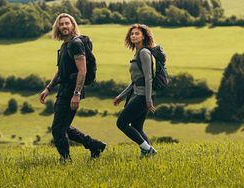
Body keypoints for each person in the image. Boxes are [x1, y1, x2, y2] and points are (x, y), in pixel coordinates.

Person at [40, 13, 106, 161]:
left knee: (58, 128)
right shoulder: (65, 45)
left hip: (72, 90)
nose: (64, 26)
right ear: (57, 27)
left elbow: (82, 71)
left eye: (67, 23)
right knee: (64, 126)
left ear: (73, 25)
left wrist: (76, 94)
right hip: (64, 88)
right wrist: (48, 88)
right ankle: (95, 145)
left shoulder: (76, 44)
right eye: (61, 24)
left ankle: (66, 160)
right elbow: (60, 70)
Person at [113, 24, 158, 157]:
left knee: (121, 123)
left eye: (137, 33)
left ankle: (148, 149)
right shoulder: (137, 53)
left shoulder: (144, 52)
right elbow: (135, 81)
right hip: (139, 94)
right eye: (132, 34)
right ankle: (148, 153)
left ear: (143, 36)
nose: (134, 36)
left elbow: (148, 77)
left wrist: (148, 100)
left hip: (144, 96)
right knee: (137, 127)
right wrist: (121, 96)